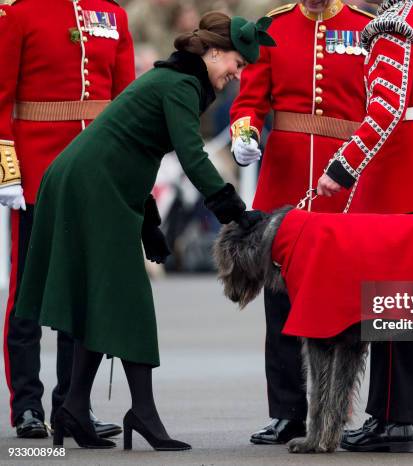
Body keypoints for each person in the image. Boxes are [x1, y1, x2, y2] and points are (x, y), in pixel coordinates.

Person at [14, 11, 274, 451]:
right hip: (92, 187)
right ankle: (142, 412)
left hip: (96, 182)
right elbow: (191, 157)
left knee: (100, 299)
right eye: (235, 63)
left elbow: (138, 148)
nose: (237, 74)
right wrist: (233, 209)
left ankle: (75, 406)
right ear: (212, 53)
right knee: (128, 297)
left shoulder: (178, 82)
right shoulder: (181, 85)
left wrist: (148, 220)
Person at [317, 0, 413, 452]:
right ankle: (411, 420)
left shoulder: (392, 29)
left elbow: (385, 110)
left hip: (399, 183)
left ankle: (391, 421)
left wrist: (342, 169)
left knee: (392, 306)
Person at [229, 0, 374, 445]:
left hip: (343, 186)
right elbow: (249, 101)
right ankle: (287, 411)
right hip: (285, 184)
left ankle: (335, 410)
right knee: (280, 305)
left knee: (343, 307)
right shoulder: (273, 26)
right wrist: (245, 135)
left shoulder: (364, 27)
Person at [0, 0, 134, 439]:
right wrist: (7, 166)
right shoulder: (20, 13)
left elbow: (124, 99)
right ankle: (26, 406)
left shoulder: (111, 14)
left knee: (83, 296)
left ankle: (72, 406)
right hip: (37, 173)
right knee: (29, 294)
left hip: (95, 174)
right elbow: (2, 94)